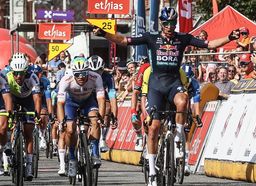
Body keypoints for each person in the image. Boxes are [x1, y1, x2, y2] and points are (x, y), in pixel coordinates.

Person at [93, 6, 240, 186]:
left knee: (183, 99)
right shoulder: (151, 37)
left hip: (173, 83)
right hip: (156, 86)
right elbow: (124, 40)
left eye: (172, 23)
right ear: (162, 24)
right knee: (154, 128)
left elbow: (209, 44)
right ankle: (153, 170)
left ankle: (178, 136)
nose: (170, 26)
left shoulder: (183, 38)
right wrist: (104, 34)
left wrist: (229, 38)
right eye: (166, 23)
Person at [56, 57, 105, 176]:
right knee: (70, 129)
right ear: (73, 73)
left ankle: (94, 153)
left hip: (88, 102)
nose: (81, 77)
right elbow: (60, 103)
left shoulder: (96, 77)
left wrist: (101, 118)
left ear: (88, 72)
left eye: (84, 73)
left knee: (95, 120)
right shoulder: (66, 80)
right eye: (78, 74)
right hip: (71, 103)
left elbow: (101, 99)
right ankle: (72, 158)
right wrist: (62, 121)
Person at [3, 52, 42, 180]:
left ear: (26, 70)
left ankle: (29, 165)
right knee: (8, 122)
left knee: (28, 132)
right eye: (15, 73)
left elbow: (37, 98)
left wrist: (36, 113)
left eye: (21, 73)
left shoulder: (32, 76)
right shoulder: (5, 74)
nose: (18, 76)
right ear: (11, 71)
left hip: (27, 100)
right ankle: (9, 147)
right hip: (12, 98)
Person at [88, 55, 118, 152]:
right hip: (87, 96)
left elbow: (112, 96)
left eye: (99, 71)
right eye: (93, 71)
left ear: (103, 68)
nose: (96, 74)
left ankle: (103, 139)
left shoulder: (108, 77)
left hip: (101, 96)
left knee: (108, 108)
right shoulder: (85, 75)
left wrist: (114, 116)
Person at [130, 56, 150, 151]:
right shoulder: (143, 69)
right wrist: (133, 112)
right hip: (143, 92)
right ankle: (139, 136)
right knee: (137, 109)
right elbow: (135, 92)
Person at [0, 74, 13, 176]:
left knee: (2, 128)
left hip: (1, 103)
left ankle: (2, 148)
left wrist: (9, 116)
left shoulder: (2, 78)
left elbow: (7, 98)